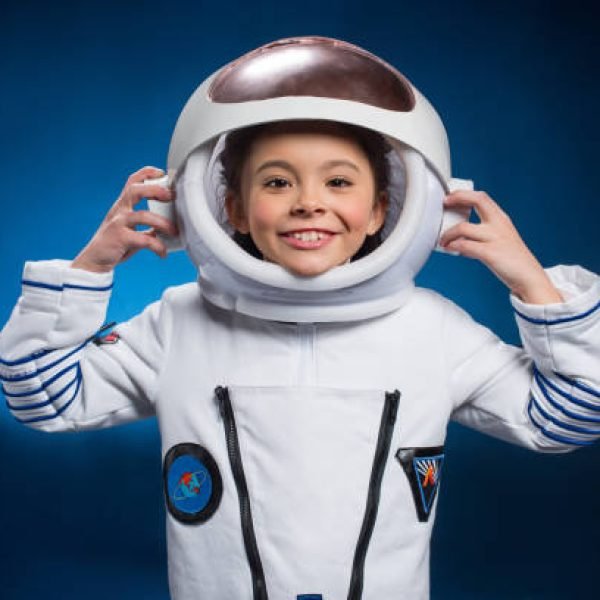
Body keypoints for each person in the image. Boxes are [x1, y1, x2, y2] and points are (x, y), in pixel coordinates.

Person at [1, 37, 599, 600]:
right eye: (278, 181)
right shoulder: (179, 323)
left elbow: (571, 416)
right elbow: (41, 397)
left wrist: (533, 282)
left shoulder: (433, 331)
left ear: (382, 212)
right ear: (228, 207)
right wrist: (91, 265)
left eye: (339, 180)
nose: (309, 200)